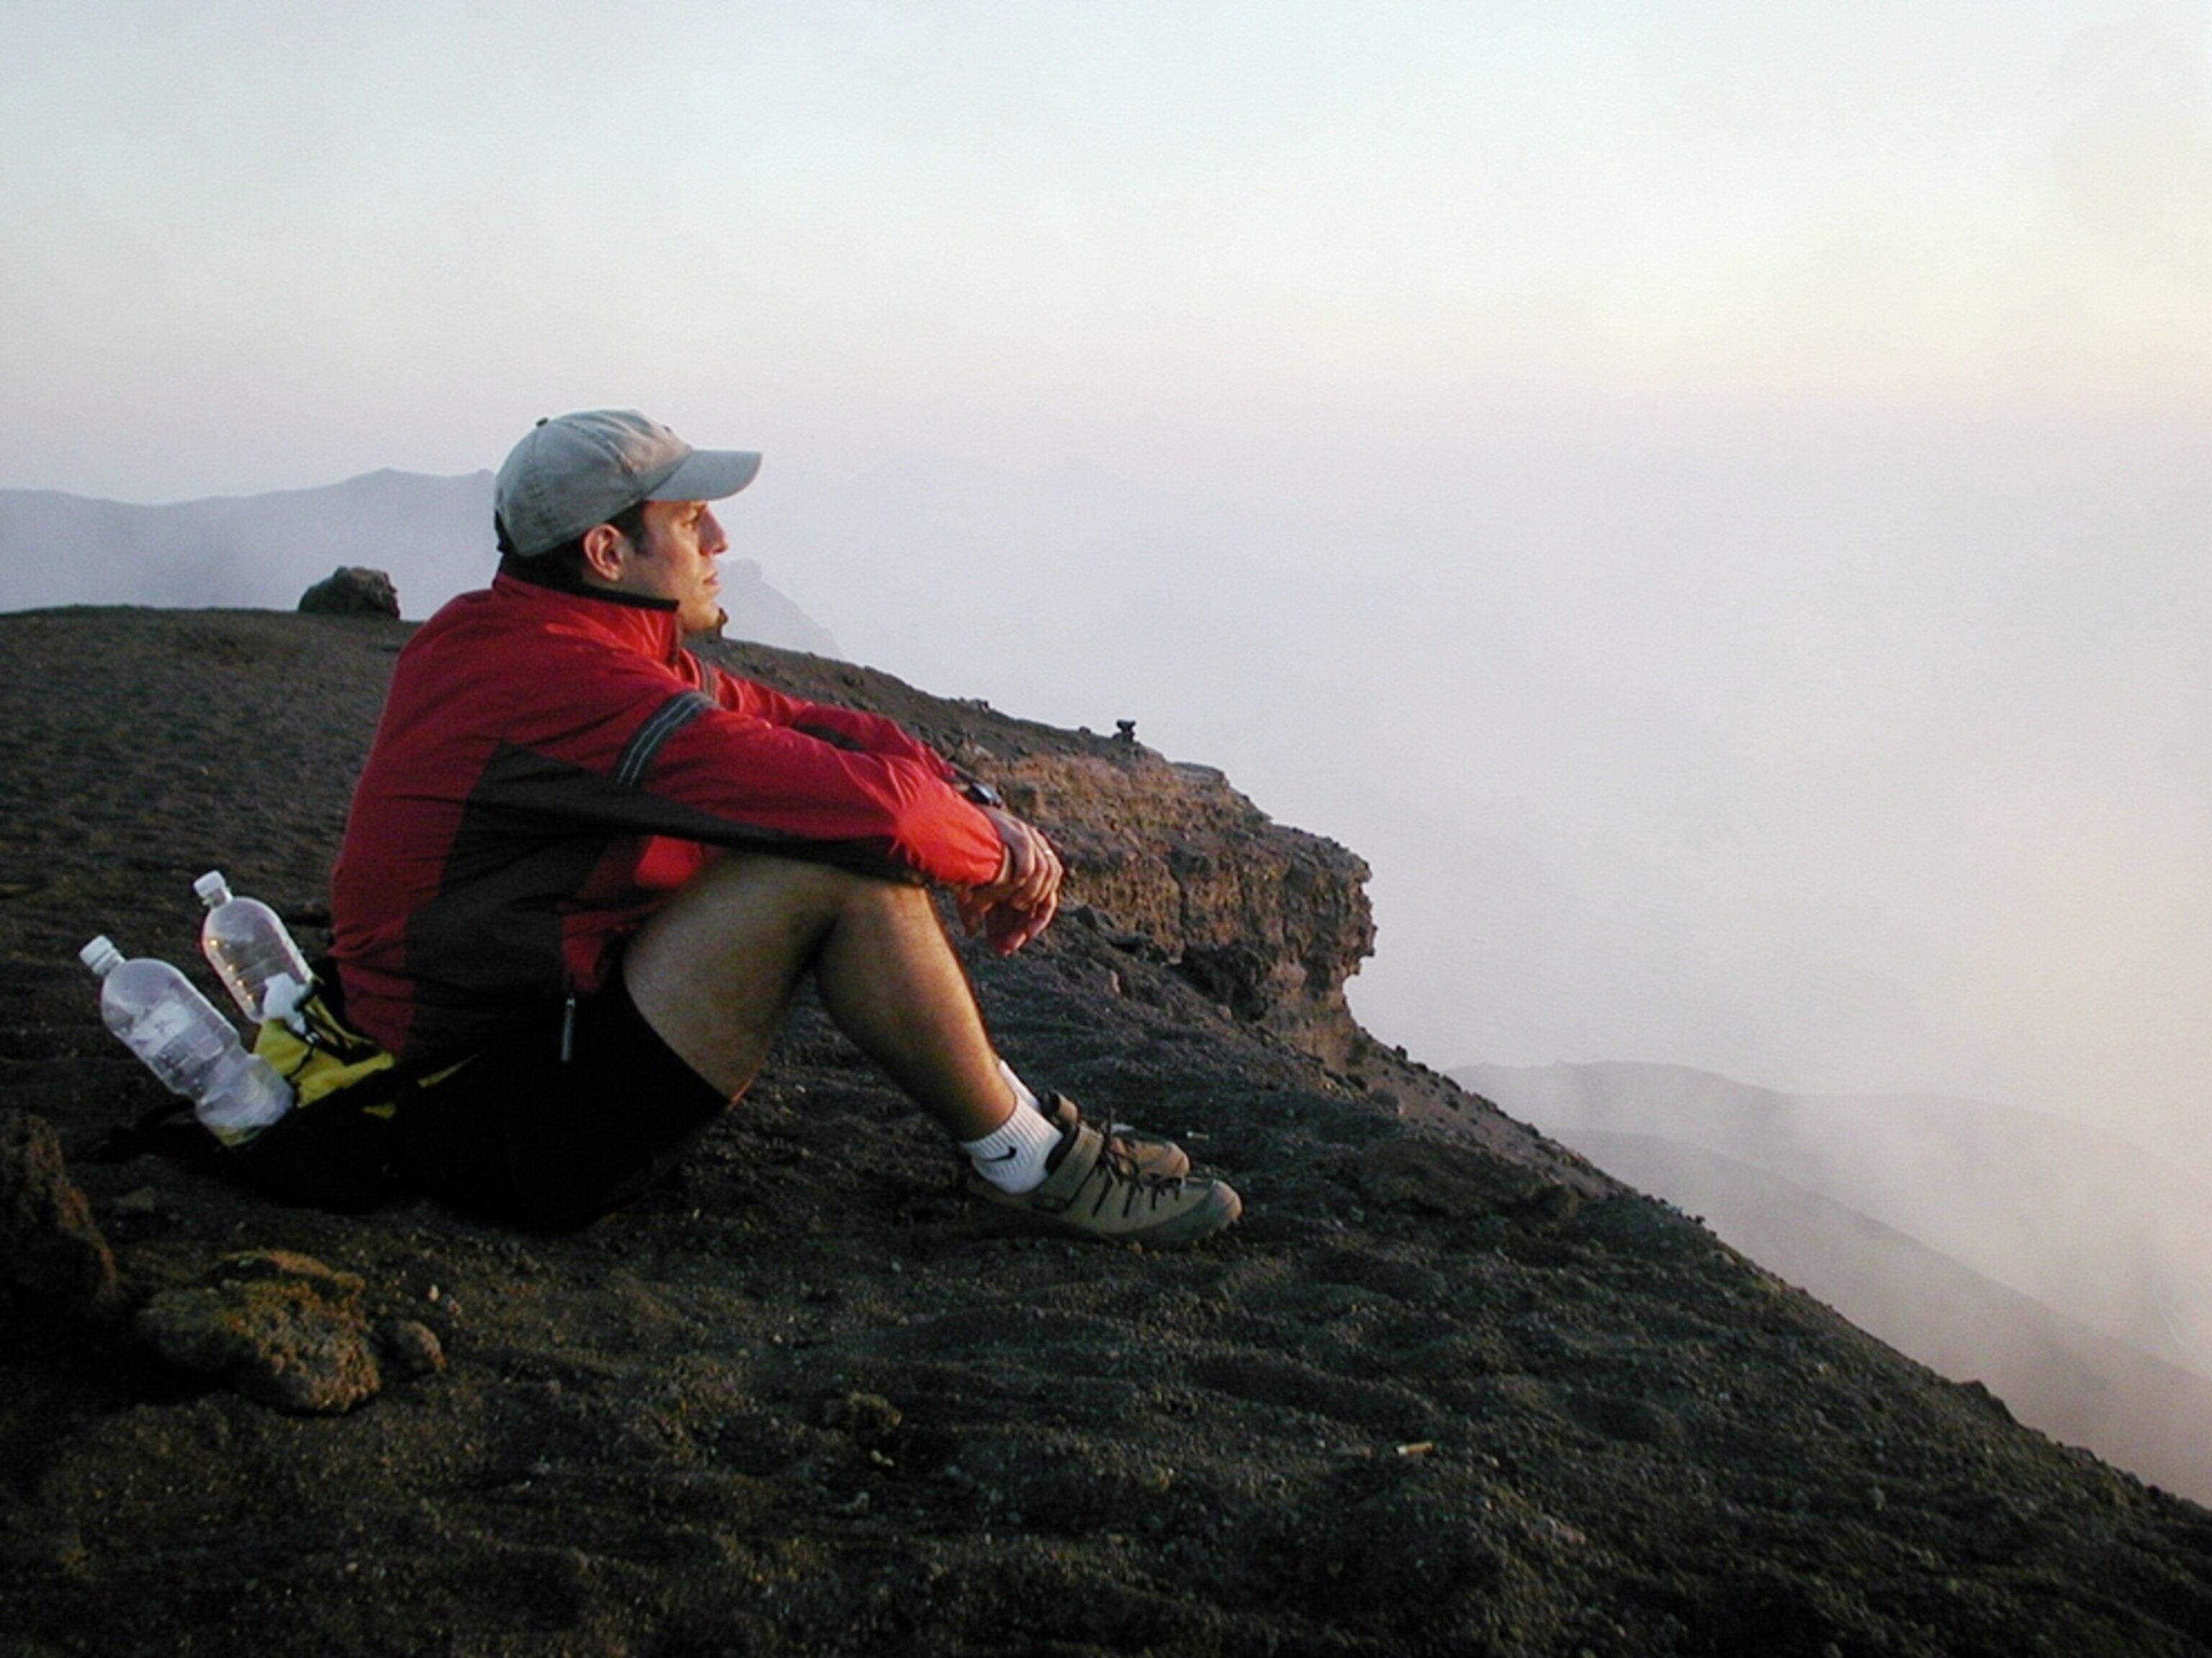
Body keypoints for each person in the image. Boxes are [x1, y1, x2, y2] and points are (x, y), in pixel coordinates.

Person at [327, 408, 1239, 1247]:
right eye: (690, 523)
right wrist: (1000, 856)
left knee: (827, 820)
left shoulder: (533, 636)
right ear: (608, 550)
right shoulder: (561, 684)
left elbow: (803, 723)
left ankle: (1021, 1149)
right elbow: (879, 814)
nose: (720, 539)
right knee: (836, 865)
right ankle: (1028, 1166)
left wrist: (968, 797)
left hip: (525, 1040)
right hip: (492, 1114)